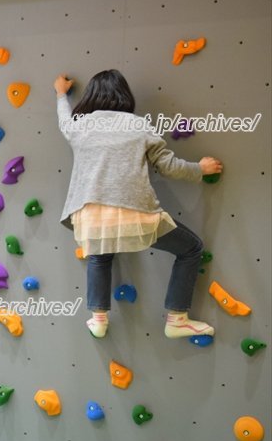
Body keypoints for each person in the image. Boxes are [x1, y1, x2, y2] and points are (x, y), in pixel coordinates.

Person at [54, 70, 223, 339]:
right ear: (124, 95)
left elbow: (63, 120)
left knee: (99, 250)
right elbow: (168, 167)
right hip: (134, 212)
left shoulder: (79, 125)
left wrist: (61, 94)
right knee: (191, 249)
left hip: (90, 214)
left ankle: (98, 318)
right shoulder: (138, 125)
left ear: (91, 96)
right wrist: (200, 168)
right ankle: (177, 318)